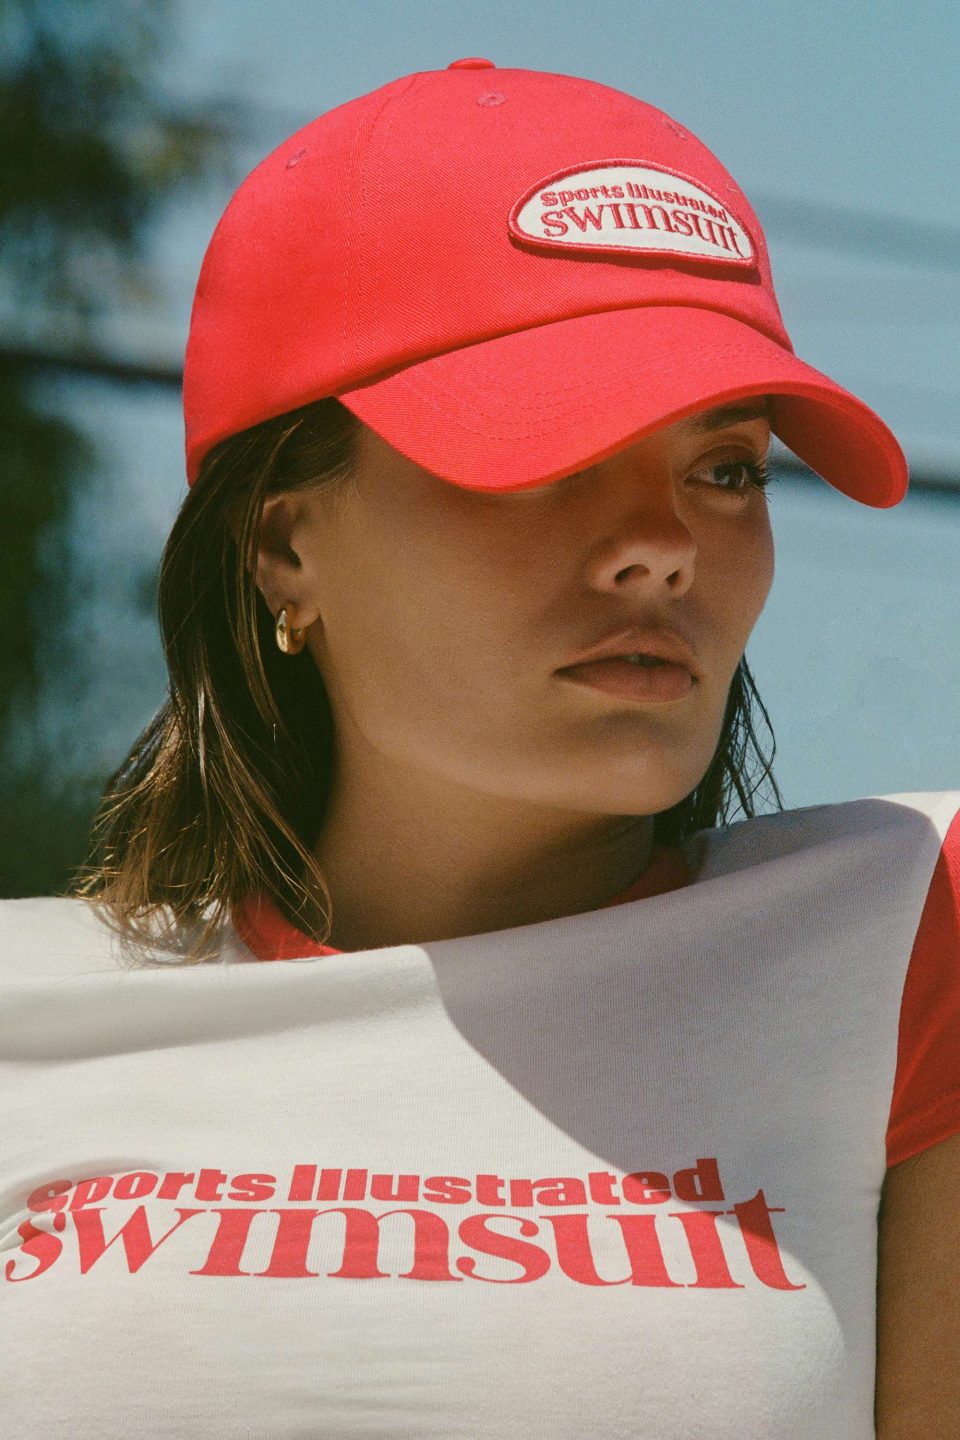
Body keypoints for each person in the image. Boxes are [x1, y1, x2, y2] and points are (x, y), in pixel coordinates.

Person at [1, 57, 958, 1440]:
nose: (661, 546)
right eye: (547, 451)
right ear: (283, 541)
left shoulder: (911, 939)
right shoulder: (29, 1012)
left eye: (729, 466)